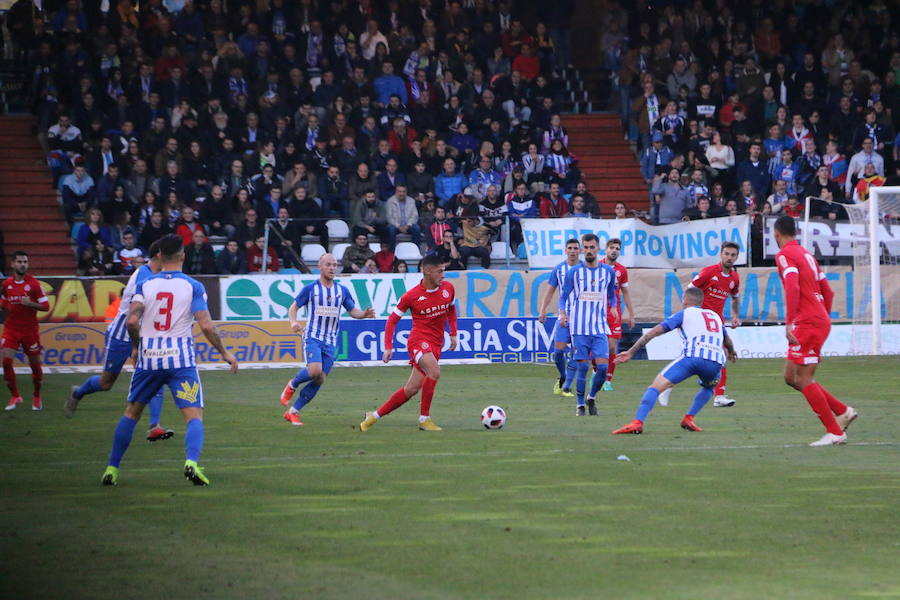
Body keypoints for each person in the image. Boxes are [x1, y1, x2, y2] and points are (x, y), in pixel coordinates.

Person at [100, 234, 239, 487]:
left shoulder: (146, 284)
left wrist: (135, 347)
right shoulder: (193, 286)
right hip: (180, 360)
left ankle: (112, 467)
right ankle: (191, 463)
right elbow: (206, 326)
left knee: (131, 414)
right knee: (193, 416)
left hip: (149, 360)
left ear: (159, 256)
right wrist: (224, 353)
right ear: (183, 256)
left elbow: (131, 321)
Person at [65, 241, 175, 440]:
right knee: (106, 383)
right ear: (159, 254)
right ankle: (78, 392)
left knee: (155, 377)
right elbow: (142, 310)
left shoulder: (158, 276)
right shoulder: (144, 275)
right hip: (122, 333)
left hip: (144, 336)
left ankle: (154, 426)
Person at [773, 215, 858, 446]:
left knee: (803, 377)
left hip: (807, 321)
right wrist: (822, 316)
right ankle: (843, 411)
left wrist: (791, 321)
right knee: (791, 378)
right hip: (816, 318)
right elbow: (828, 292)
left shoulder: (784, 255)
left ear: (776, 234)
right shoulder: (807, 255)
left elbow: (792, 284)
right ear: (796, 233)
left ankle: (835, 431)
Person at [611, 287, 737, 435]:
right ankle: (689, 418)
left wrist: (631, 352)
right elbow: (727, 340)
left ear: (684, 300)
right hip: (716, 362)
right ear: (701, 302)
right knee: (709, 388)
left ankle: (638, 422)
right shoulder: (714, 315)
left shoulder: (684, 314)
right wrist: (732, 352)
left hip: (693, 357)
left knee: (655, 387)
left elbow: (653, 332)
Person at [360, 255, 458, 432]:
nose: (443, 275)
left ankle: (373, 416)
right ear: (427, 271)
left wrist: (453, 333)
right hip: (418, 341)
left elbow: (451, 309)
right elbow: (392, 320)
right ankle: (424, 419)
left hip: (436, 344)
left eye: (444, 271)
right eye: (440, 271)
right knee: (434, 372)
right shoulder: (411, 296)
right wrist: (388, 346)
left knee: (411, 389)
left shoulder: (448, 289)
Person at [279, 254, 376, 425]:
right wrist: (293, 322)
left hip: (330, 341)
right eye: (328, 265)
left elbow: (352, 311)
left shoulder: (341, 291)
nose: (332, 268)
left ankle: (294, 411)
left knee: (320, 379)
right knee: (315, 371)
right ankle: (293, 384)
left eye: (334, 265)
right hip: (313, 336)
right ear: (320, 267)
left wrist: (363, 314)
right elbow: (293, 308)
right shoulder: (311, 289)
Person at [658, 242, 742, 408]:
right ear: (721, 254)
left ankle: (719, 396)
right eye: (726, 254)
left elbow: (736, 297)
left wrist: (735, 316)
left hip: (716, 323)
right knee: (693, 356)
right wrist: (688, 313)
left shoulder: (734, 278)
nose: (729, 257)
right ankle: (666, 386)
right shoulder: (709, 272)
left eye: (733, 255)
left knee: (720, 355)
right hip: (699, 320)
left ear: (737, 257)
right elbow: (690, 290)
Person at [558, 234, 618, 416]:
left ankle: (591, 397)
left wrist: (614, 307)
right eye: (586, 247)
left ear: (598, 249)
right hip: (579, 327)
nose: (589, 251)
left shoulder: (608, 271)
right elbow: (563, 296)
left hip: (599, 326)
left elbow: (612, 293)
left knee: (602, 368)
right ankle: (579, 405)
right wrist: (562, 313)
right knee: (583, 367)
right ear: (583, 249)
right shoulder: (574, 272)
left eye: (592, 247)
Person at [1, 252, 50, 411]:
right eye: (20, 262)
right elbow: (4, 300)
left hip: (29, 331)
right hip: (11, 329)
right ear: (13, 264)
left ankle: (36, 396)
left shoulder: (34, 284)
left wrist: (30, 304)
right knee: (6, 362)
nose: (23, 264)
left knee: (35, 365)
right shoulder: (6, 284)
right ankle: (15, 396)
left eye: (25, 262)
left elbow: (46, 306)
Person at [537, 238, 579, 398]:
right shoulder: (559, 269)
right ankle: (563, 376)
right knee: (558, 352)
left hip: (581, 318)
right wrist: (542, 310)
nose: (573, 251)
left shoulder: (585, 269)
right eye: (570, 248)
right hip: (564, 316)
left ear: (580, 251)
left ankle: (567, 386)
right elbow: (550, 291)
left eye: (576, 248)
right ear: (566, 251)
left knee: (578, 353)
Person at [600, 238, 636, 391]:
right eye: (612, 248)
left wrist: (631, 314)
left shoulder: (622, 270)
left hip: (614, 312)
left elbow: (626, 292)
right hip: (597, 311)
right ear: (606, 250)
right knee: (598, 347)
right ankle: (596, 373)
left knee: (612, 348)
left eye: (617, 248)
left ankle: (608, 379)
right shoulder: (597, 266)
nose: (614, 250)